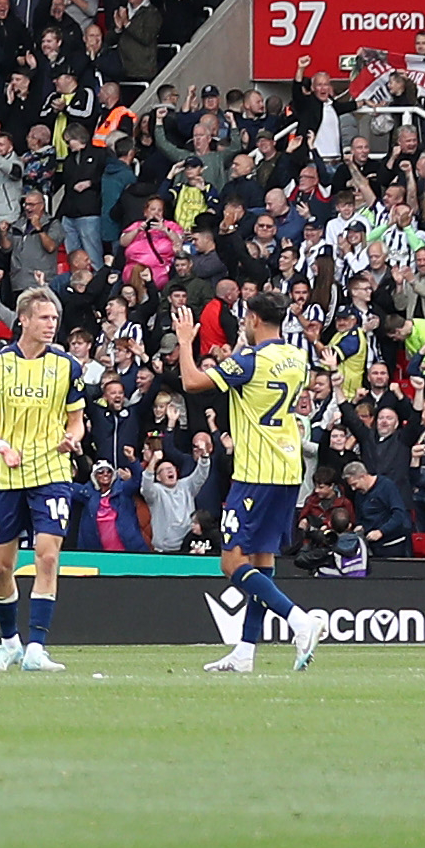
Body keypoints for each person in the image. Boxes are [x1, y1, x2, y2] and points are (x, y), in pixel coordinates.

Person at [174, 285, 319, 672]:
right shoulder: (296, 356)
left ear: (253, 319)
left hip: (256, 469)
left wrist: (186, 342)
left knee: (231, 562)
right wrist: (241, 346)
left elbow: (192, 383)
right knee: (262, 557)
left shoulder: (250, 361)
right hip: (288, 466)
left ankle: (298, 619)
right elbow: (251, 372)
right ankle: (245, 650)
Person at [0, 287, 89, 671]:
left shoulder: (67, 367)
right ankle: (9, 642)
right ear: (22, 319)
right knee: (2, 566)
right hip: (5, 473)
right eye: (44, 318)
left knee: (47, 554)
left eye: (54, 319)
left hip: (51, 471)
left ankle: (38, 648)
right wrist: (2, 446)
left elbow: (76, 420)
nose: (51, 325)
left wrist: (73, 438)